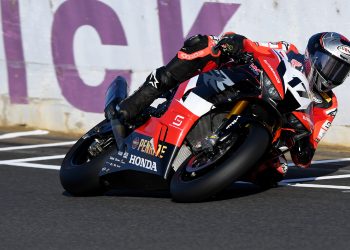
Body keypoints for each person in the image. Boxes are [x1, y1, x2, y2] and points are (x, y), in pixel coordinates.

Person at [104, 32, 350, 187]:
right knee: (203, 45)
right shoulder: (289, 51)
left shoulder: (329, 106)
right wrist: (235, 44)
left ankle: (214, 166)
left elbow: (307, 153)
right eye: (331, 65)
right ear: (314, 57)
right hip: (247, 87)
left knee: (275, 173)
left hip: (274, 126)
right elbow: (255, 46)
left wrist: (303, 146)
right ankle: (132, 105)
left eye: (341, 72)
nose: (333, 75)